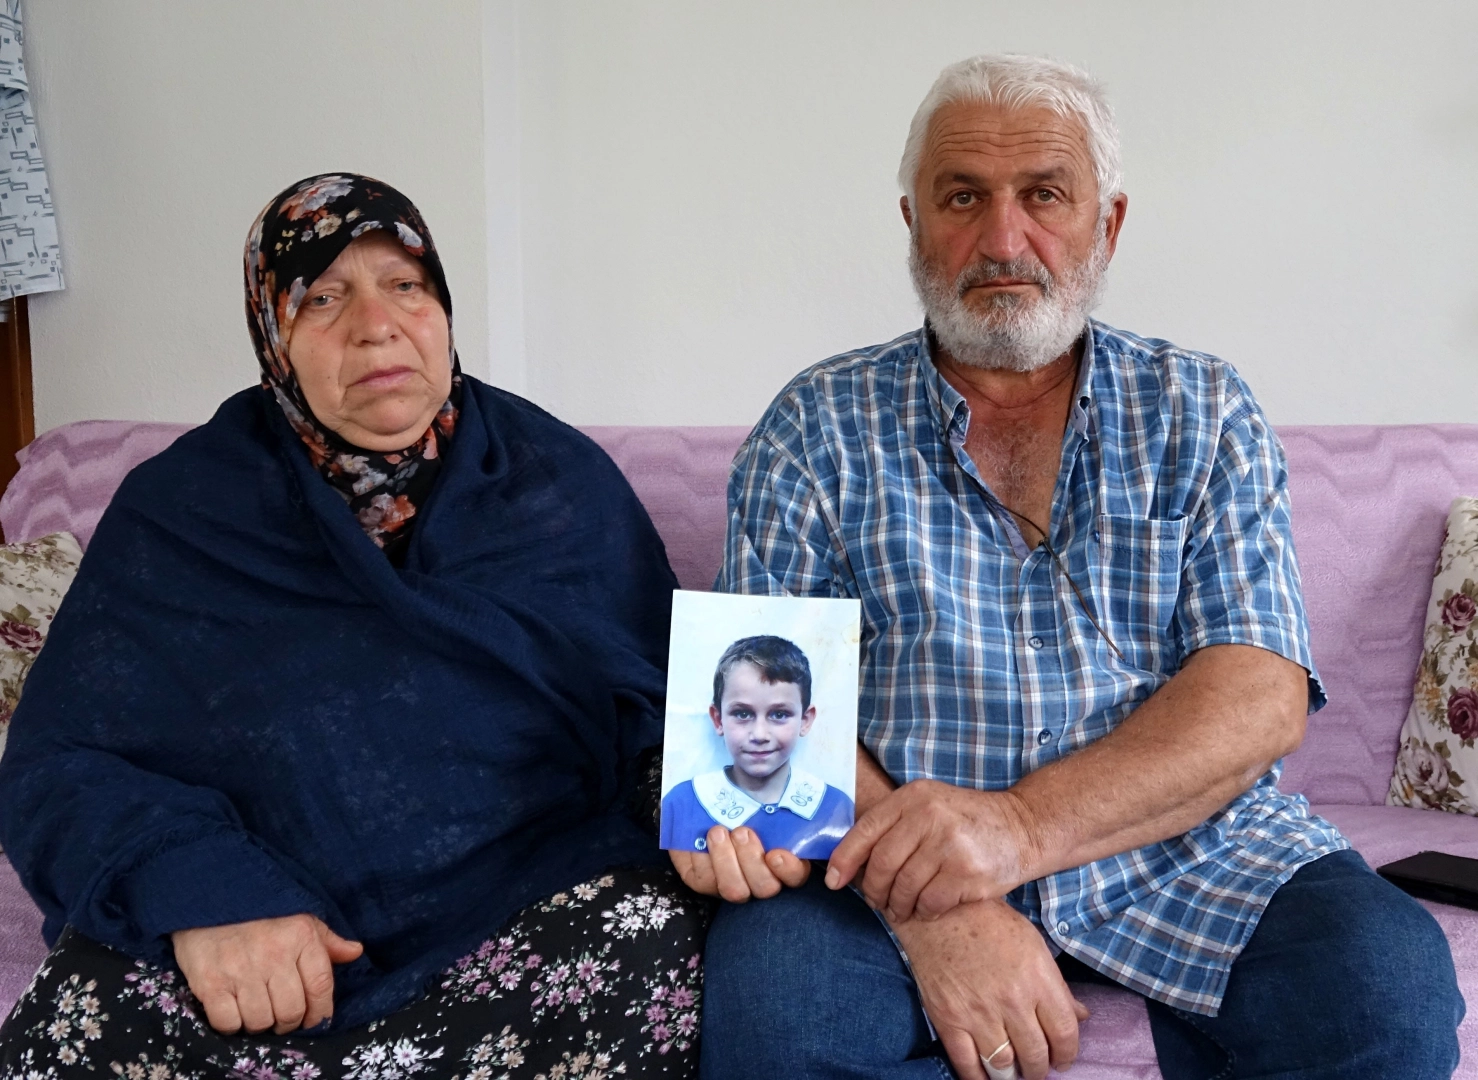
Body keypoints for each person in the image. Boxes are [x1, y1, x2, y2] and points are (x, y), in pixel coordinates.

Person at [681, 55, 1463, 1080]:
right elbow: (762, 693)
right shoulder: (812, 425)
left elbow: (1257, 693)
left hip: (1185, 848)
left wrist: (1018, 831)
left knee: (1385, 991)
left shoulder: (1201, 407)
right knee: (777, 1027)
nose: (1004, 240)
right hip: (893, 855)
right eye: (963, 197)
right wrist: (940, 907)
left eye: (1044, 195)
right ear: (913, 222)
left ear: (1109, 222)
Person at [0, 173, 710, 1078]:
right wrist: (206, 890)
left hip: (525, 914)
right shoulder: (183, 510)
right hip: (262, 946)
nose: (377, 325)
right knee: (81, 1004)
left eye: (405, 285)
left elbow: (669, 707)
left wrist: (717, 815)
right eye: (324, 297)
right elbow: (57, 764)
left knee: (650, 938)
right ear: (273, 333)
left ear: (443, 309)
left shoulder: (554, 483)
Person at [660, 636, 854, 858]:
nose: (760, 735)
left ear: (805, 720)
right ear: (718, 719)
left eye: (779, 714)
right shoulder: (680, 803)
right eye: (742, 713)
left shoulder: (836, 807)